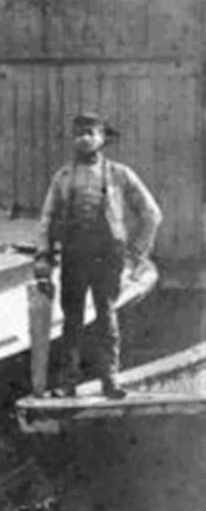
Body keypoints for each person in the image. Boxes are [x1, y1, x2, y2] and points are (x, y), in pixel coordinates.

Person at [34, 111, 162, 400]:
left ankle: (111, 381)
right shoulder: (63, 177)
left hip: (108, 256)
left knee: (106, 315)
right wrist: (43, 257)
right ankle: (68, 383)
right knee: (72, 319)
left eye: (90, 132)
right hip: (74, 254)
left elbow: (151, 214)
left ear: (103, 138)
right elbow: (46, 219)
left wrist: (137, 253)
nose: (84, 138)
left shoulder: (120, 174)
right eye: (78, 133)